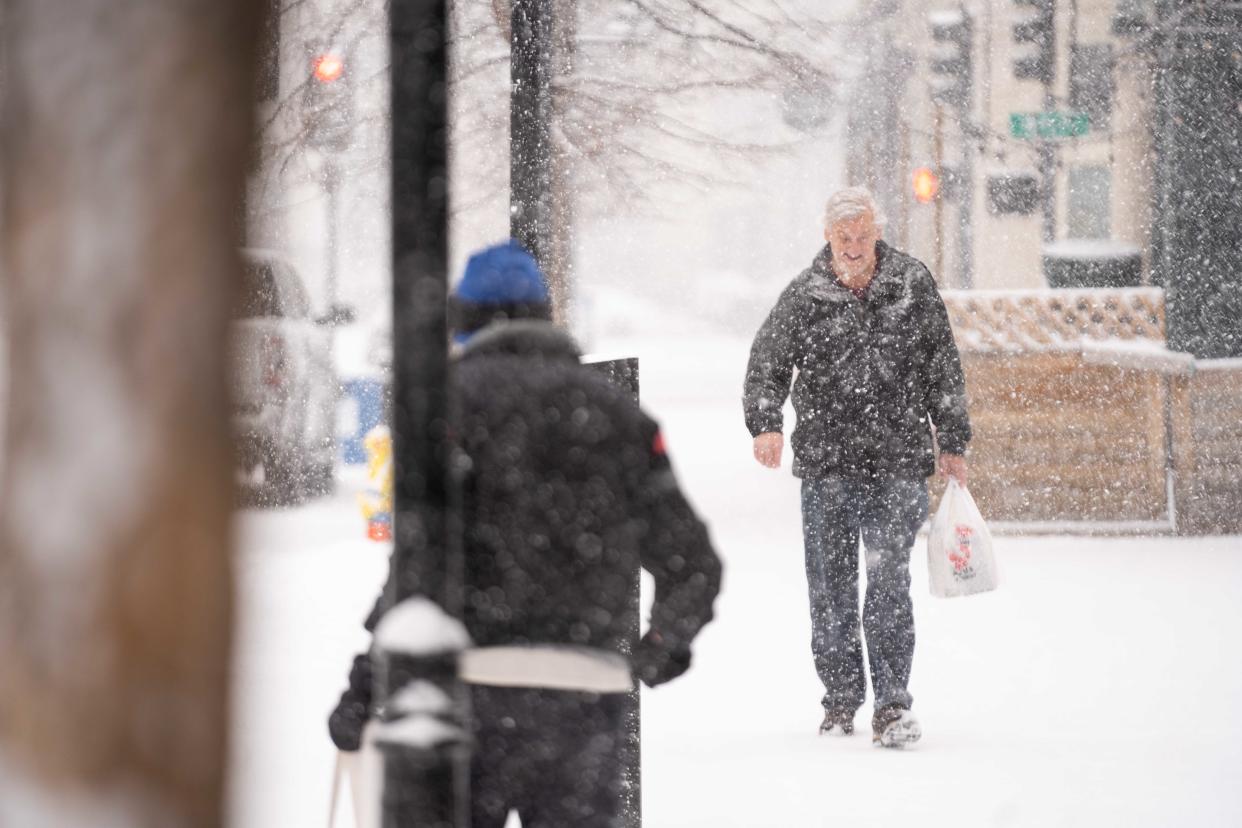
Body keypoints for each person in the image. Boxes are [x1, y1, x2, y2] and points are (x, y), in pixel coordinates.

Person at [329, 240, 722, 825]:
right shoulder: (619, 417)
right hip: (586, 700)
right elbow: (691, 561)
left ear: (462, 320)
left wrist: (367, 683)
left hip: (465, 694)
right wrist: (658, 652)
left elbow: (418, 565)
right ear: (545, 317)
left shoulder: (444, 413)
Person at [742, 187, 971, 748]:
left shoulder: (910, 284)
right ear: (827, 236)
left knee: (889, 583)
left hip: (896, 464)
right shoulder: (805, 294)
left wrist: (953, 437)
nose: (852, 246)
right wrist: (765, 423)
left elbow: (942, 364)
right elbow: (766, 363)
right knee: (830, 588)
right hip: (826, 467)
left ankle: (892, 706)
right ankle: (841, 699)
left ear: (876, 233)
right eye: (842, 236)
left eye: (861, 235)